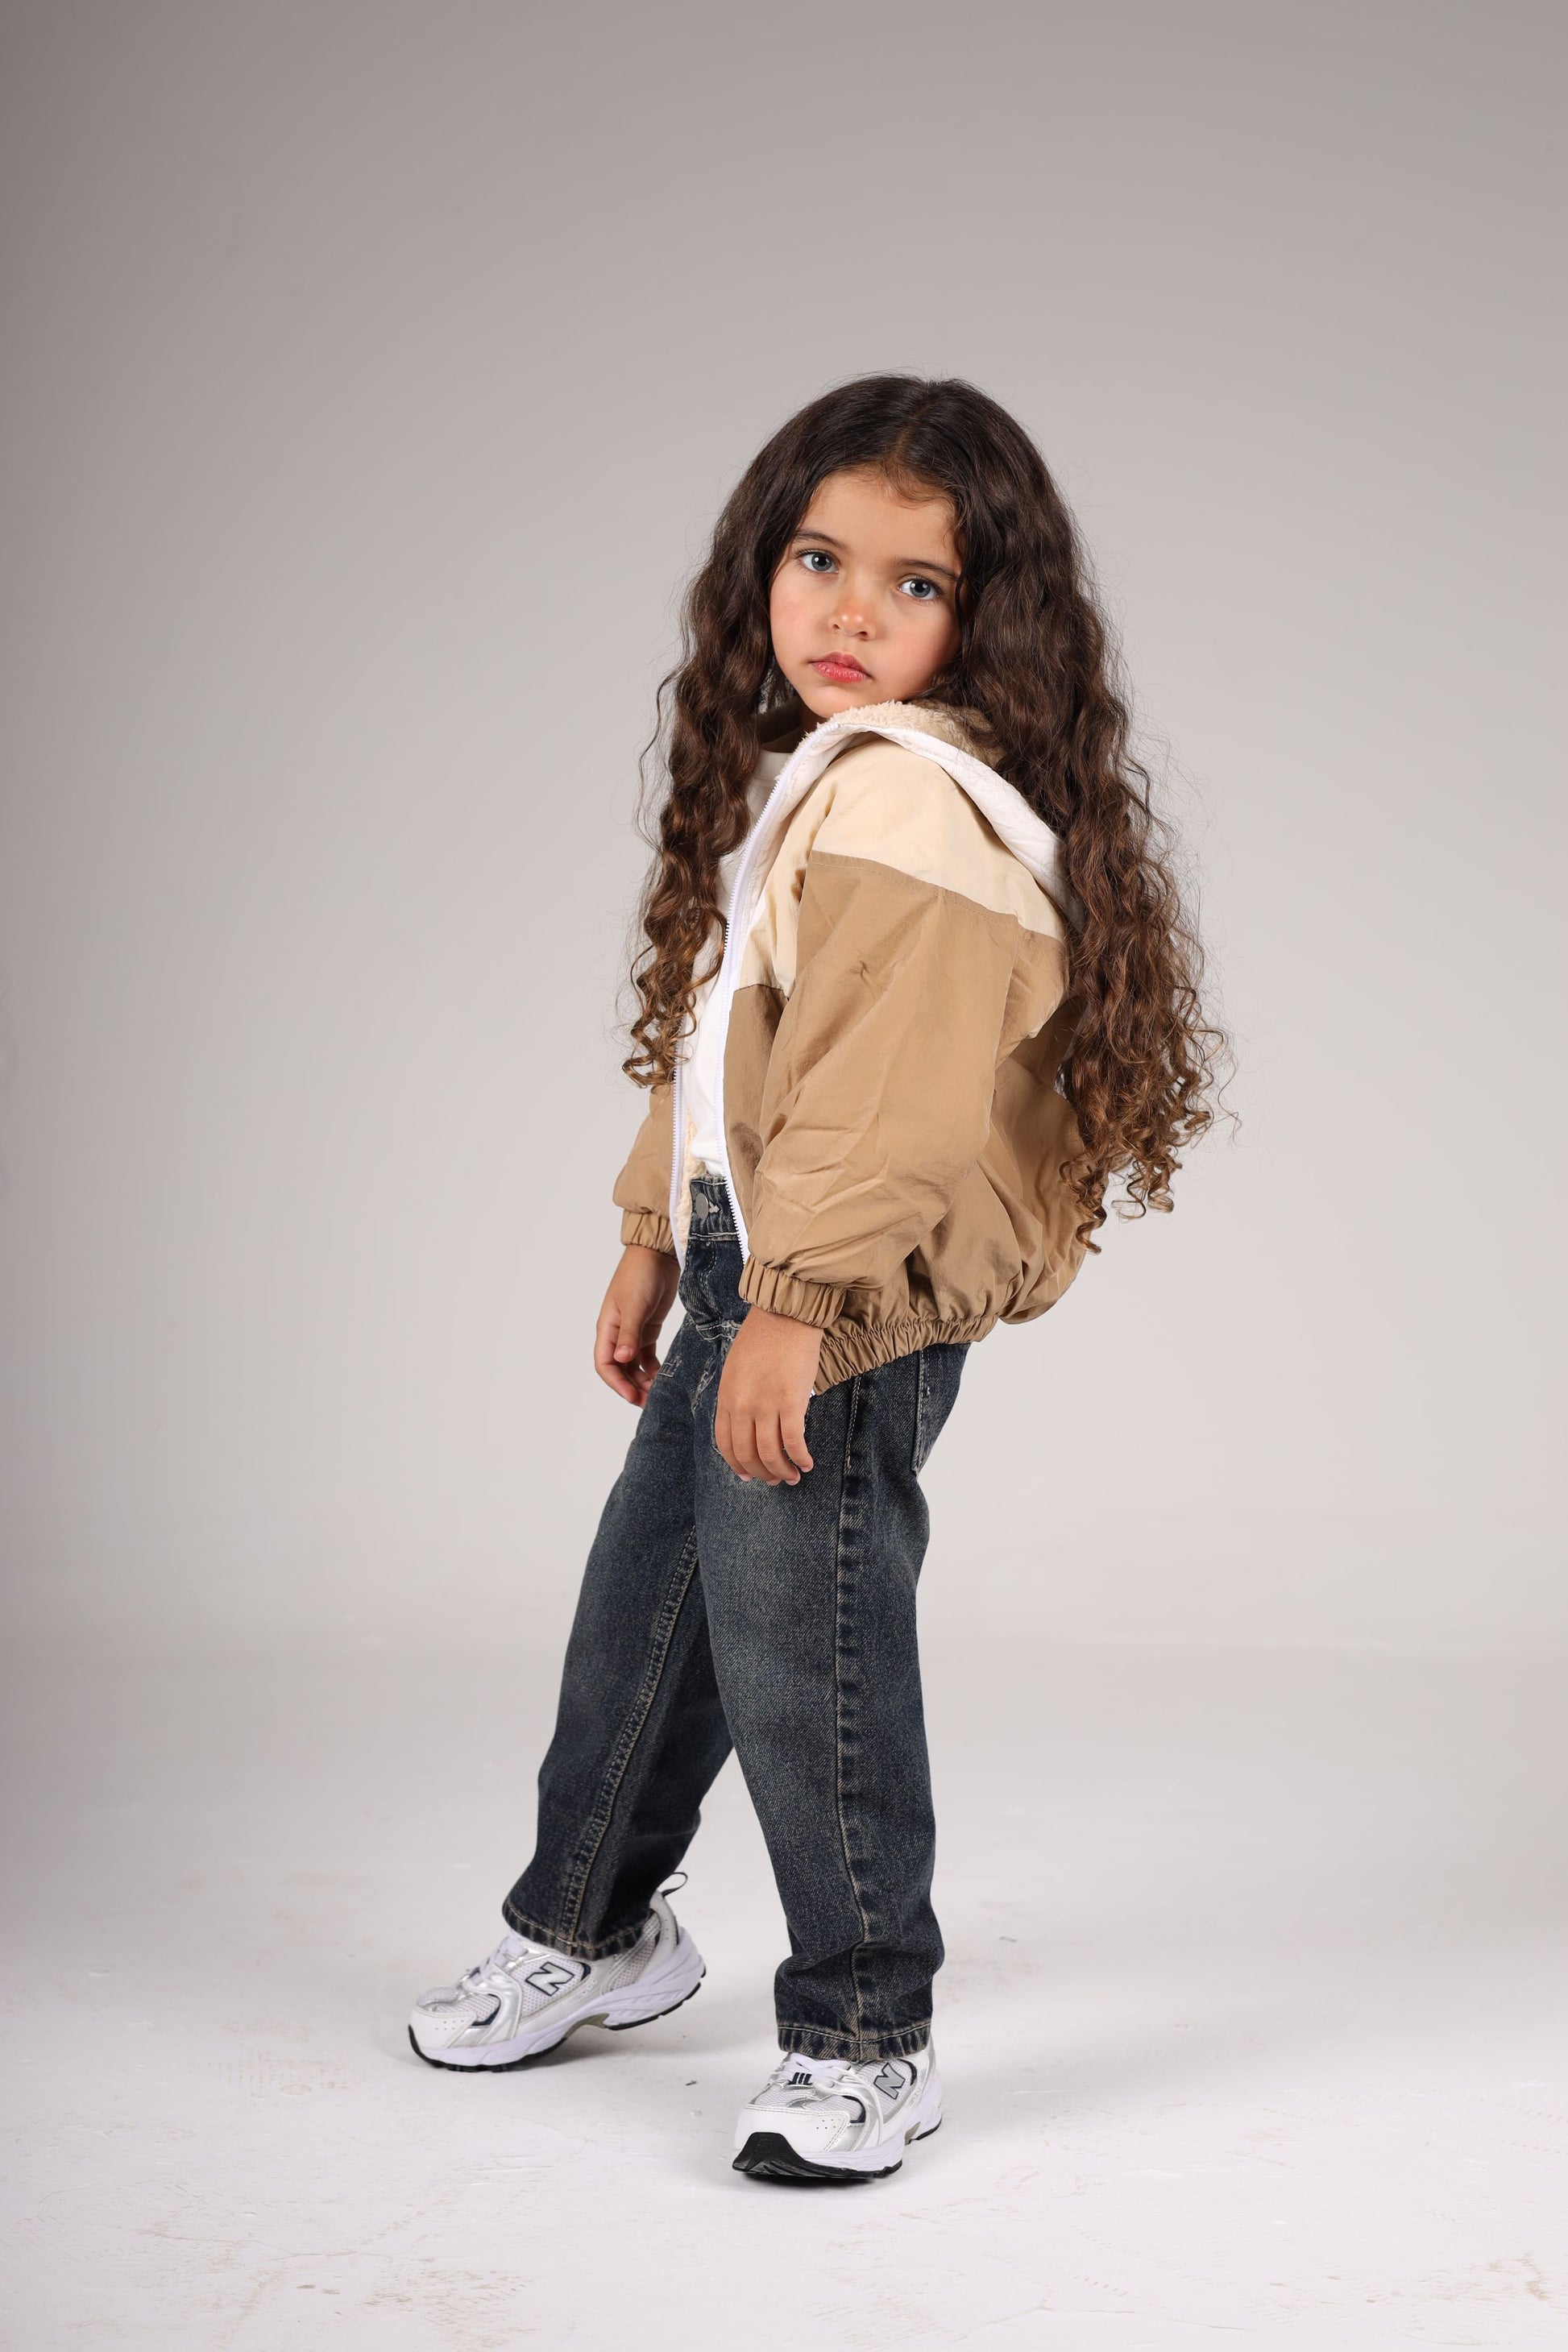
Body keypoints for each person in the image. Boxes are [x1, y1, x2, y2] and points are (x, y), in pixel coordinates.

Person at [407, 374, 1226, 2184]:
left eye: (913, 583)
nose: (849, 610)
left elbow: (886, 1097)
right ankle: (593, 1924)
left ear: (986, 616)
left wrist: (795, 1305)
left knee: (812, 1660)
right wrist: (647, 1234)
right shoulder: (819, 789)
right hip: (753, 1263)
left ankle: (867, 2031)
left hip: (831, 1292)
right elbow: (720, 1054)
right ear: (756, 575)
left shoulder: (919, 813)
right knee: (653, 1612)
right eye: (815, 558)